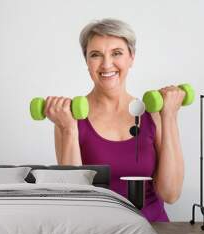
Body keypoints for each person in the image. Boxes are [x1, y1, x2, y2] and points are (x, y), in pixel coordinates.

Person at [44, 18, 185, 222]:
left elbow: (170, 194)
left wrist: (170, 116)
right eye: (96, 55)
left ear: (131, 58)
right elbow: (75, 199)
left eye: (117, 53)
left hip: (152, 232)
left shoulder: (153, 115)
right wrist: (68, 130)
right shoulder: (69, 119)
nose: (107, 64)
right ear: (87, 62)